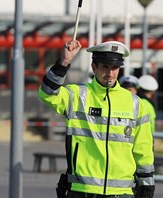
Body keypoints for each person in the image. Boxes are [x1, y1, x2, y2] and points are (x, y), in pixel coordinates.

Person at [38, 40, 155, 198]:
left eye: (114, 68)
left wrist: (146, 184)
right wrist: (64, 63)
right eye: (105, 67)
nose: (110, 73)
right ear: (94, 67)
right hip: (82, 191)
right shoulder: (77, 95)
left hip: (122, 193)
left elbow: (143, 148)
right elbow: (47, 93)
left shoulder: (135, 103)